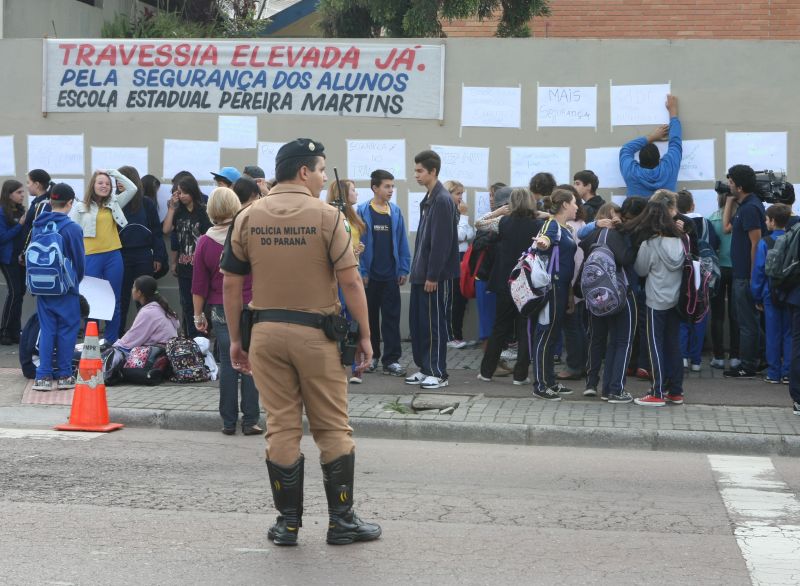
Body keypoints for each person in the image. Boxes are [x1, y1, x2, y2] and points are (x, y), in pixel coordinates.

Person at [220, 137, 381, 546]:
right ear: (304, 171)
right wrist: (365, 334)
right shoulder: (328, 216)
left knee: (281, 428)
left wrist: (237, 339)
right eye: (323, 169)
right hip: (316, 335)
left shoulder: (248, 216)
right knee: (331, 427)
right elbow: (350, 280)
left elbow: (233, 283)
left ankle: (287, 524)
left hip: (266, 335)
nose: (325, 176)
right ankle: (341, 522)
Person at [192, 188, 261, 436]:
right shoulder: (248, 236)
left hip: (220, 309)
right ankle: (251, 420)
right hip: (251, 305)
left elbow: (198, 285)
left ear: (211, 210)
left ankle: (228, 421)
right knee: (251, 360)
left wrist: (198, 316)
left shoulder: (204, 242)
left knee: (229, 363)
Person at [405, 149, 460, 390]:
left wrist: (432, 275)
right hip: (421, 275)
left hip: (434, 277)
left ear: (433, 171)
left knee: (434, 324)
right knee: (419, 324)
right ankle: (425, 368)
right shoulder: (429, 198)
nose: (416, 175)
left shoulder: (442, 200)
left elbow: (441, 242)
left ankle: (438, 372)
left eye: (420, 171)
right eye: (415, 170)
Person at [478, 188, 540, 384]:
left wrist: (498, 212)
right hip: (528, 284)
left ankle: (486, 372)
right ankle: (520, 376)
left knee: (499, 327)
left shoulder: (503, 223)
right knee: (525, 329)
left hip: (506, 282)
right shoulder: (539, 224)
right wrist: (541, 213)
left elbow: (479, 223)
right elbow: (562, 225)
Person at [69, 169, 137, 345]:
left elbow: (132, 189)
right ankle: (91, 341)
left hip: (113, 255)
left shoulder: (114, 203)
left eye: (107, 184)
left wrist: (112, 173)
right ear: (93, 185)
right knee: (92, 300)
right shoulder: (80, 207)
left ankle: (112, 341)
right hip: (90, 257)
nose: (104, 186)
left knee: (114, 299)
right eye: (100, 182)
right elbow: (70, 232)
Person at [29, 183, 85, 391]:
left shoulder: (38, 225)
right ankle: (64, 375)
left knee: (47, 330)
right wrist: (75, 283)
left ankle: (42, 377)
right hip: (66, 288)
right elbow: (79, 262)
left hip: (43, 288)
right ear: (69, 203)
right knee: (67, 331)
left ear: (51, 202)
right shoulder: (72, 228)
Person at [579, 203, 638, 402]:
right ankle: (615, 389)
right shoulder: (614, 235)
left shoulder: (592, 236)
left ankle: (596, 385)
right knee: (621, 342)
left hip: (596, 298)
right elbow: (625, 258)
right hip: (620, 295)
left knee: (597, 340)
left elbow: (581, 242)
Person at [630, 200, 685, 406]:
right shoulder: (682, 240)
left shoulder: (649, 244)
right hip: (677, 299)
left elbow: (641, 270)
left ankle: (657, 391)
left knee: (655, 345)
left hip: (655, 300)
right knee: (673, 346)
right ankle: (676, 391)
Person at [356, 169, 411, 377]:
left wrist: (404, 268)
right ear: (375, 188)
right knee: (369, 320)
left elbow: (402, 242)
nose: (391, 190)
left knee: (391, 319)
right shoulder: (362, 211)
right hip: (369, 277)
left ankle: (392, 360)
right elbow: (357, 243)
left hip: (390, 276)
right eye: (386, 186)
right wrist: (361, 271)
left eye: (392, 186)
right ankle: (373, 357)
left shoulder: (395, 212)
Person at [530, 189, 579, 400]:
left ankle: (550, 381)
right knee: (546, 335)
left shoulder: (563, 227)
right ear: (566, 205)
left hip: (561, 289)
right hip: (551, 289)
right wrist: (543, 243)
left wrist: (569, 294)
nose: (577, 206)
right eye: (575, 203)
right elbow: (544, 241)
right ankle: (540, 385)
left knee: (552, 336)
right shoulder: (551, 225)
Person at [722, 164, 767, 379]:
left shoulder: (750, 208)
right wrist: (730, 202)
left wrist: (752, 277)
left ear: (739, 186)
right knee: (749, 322)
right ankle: (762, 357)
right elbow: (726, 228)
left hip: (746, 276)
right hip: (741, 274)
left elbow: (756, 245)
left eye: (730, 182)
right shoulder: (745, 205)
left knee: (747, 323)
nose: (728, 185)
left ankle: (748, 365)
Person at [326, 177, 367, 383]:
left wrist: (358, 250)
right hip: (336, 276)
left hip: (354, 270)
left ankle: (356, 367)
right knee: (339, 318)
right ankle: (335, 364)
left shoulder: (354, 216)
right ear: (342, 193)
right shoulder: (331, 216)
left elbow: (356, 240)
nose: (357, 193)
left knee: (355, 320)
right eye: (353, 190)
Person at [117, 165, 166, 332]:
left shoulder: (146, 203)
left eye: (121, 180)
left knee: (144, 299)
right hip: (121, 255)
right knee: (121, 299)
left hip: (144, 255)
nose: (118, 184)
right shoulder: (115, 203)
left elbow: (157, 233)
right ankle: (118, 337)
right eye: (116, 180)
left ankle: (146, 335)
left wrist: (158, 256)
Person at [163, 176, 212, 338]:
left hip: (201, 265)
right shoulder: (178, 212)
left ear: (192, 191)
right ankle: (191, 337)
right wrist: (171, 208)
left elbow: (209, 235)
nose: (182, 196)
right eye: (179, 193)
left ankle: (202, 337)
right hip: (184, 264)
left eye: (184, 192)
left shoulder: (203, 211)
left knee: (202, 303)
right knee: (186, 303)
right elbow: (167, 230)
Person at [752, 204, 792, 384]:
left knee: (773, 334)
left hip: (770, 293)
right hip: (790, 293)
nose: (765, 222)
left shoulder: (765, 243)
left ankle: (773, 372)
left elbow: (759, 271)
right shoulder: (794, 239)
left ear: (773, 222)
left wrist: (756, 295)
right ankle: (788, 373)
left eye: (767, 219)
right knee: (789, 334)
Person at [619, 94, 682, 197]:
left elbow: (626, 149)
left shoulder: (631, 173)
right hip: (666, 214)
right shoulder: (668, 168)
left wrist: (651, 137)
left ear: (639, 160)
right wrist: (673, 113)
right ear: (659, 159)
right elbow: (675, 142)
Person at [20, 295, 90, 380]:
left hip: (45, 359)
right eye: (79, 318)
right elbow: (35, 347)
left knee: (84, 354)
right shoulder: (43, 318)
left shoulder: (58, 318)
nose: (79, 323)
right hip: (34, 364)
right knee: (85, 356)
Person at [707, 192, 740, 369]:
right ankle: (735, 356)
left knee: (717, 314)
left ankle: (718, 356)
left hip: (717, 269)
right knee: (735, 314)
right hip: (736, 268)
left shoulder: (711, 219)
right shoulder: (739, 218)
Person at [444, 180, 474, 349]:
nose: (461, 198)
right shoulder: (447, 212)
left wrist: (463, 223)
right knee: (453, 298)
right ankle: (451, 336)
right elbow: (458, 236)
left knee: (461, 298)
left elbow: (470, 233)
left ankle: (458, 335)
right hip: (452, 258)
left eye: (462, 194)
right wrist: (464, 217)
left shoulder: (457, 213)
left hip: (463, 257)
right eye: (457, 194)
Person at [113, 275, 179, 352]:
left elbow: (133, 337)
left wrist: (115, 345)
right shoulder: (160, 307)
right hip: (168, 350)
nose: (132, 290)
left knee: (119, 351)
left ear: (139, 293)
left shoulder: (147, 312)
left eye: (134, 287)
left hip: (158, 353)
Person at [0, 180, 27, 344]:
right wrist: (20, 225)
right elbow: (2, 237)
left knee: (20, 292)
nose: (22, 195)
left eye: (23, 192)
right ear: (9, 194)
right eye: (18, 192)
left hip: (20, 258)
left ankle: (15, 331)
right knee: (15, 292)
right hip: (8, 258)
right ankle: (5, 331)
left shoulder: (21, 210)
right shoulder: (2, 212)